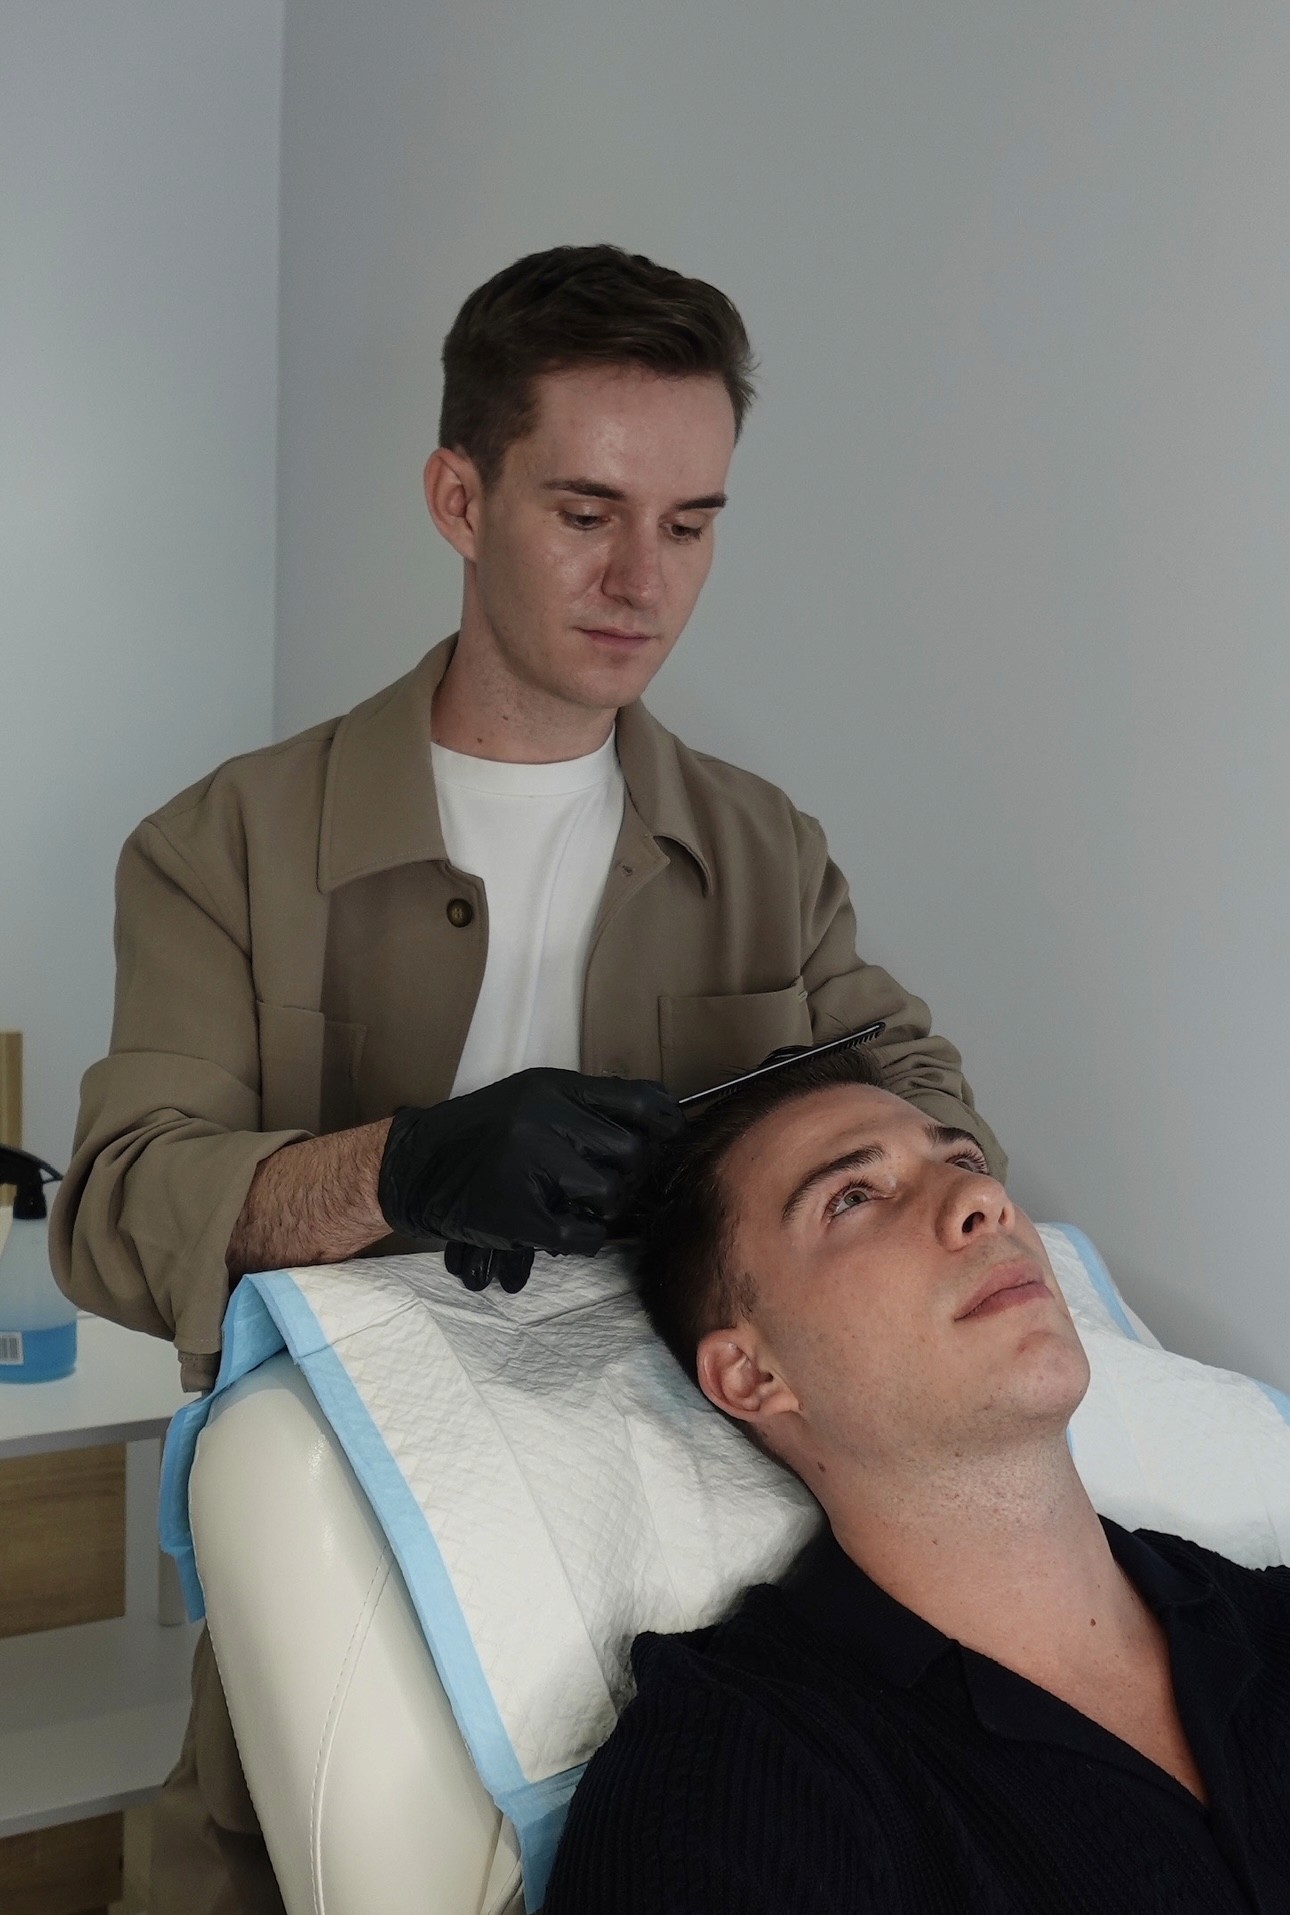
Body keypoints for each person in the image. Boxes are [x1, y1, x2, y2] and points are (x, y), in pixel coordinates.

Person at [52, 245, 1001, 1914]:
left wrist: (769, 1164)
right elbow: (123, 1206)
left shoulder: (765, 848)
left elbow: (920, 1090)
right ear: (458, 496)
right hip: (352, 1569)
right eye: (585, 512)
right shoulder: (220, 849)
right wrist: (402, 1168)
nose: (644, 577)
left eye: (692, 524)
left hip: (709, 1572)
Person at [544, 1045, 1290, 1913]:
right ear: (752, 1375)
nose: (983, 1199)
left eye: (965, 1160)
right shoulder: (733, 1779)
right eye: (853, 1197)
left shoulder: (1270, 1625)